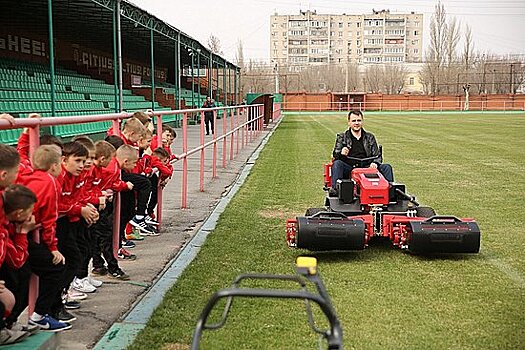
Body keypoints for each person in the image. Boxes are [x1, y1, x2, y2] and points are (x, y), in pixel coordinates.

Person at [330, 110, 394, 194]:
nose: (356, 123)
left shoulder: (370, 137)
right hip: (350, 168)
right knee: (337, 164)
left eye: (359, 120)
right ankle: (336, 190)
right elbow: (335, 155)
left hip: (367, 167)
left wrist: (375, 163)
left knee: (387, 167)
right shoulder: (342, 137)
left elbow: (377, 155)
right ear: (349, 122)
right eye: (354, 121)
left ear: (362, 121)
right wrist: (341, 153)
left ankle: (390, 193)